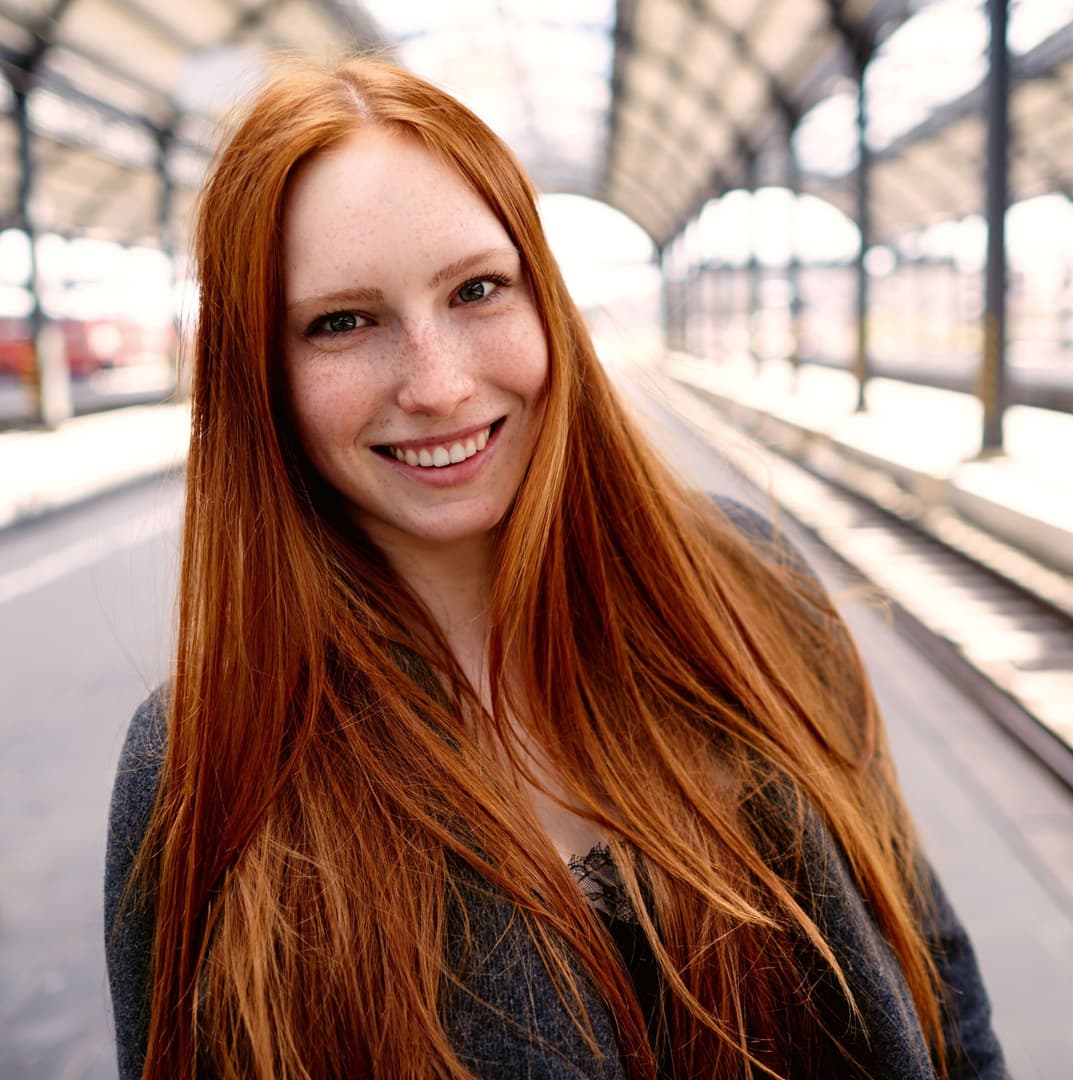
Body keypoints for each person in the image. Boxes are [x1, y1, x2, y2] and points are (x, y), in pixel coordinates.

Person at [105, 59, 1007, 1080]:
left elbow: (934, 973)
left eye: (477, 290)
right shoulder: (199, 757)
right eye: (342, 323)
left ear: (547, 301)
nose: (441, 384)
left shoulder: (739, 581)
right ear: (257, 370)